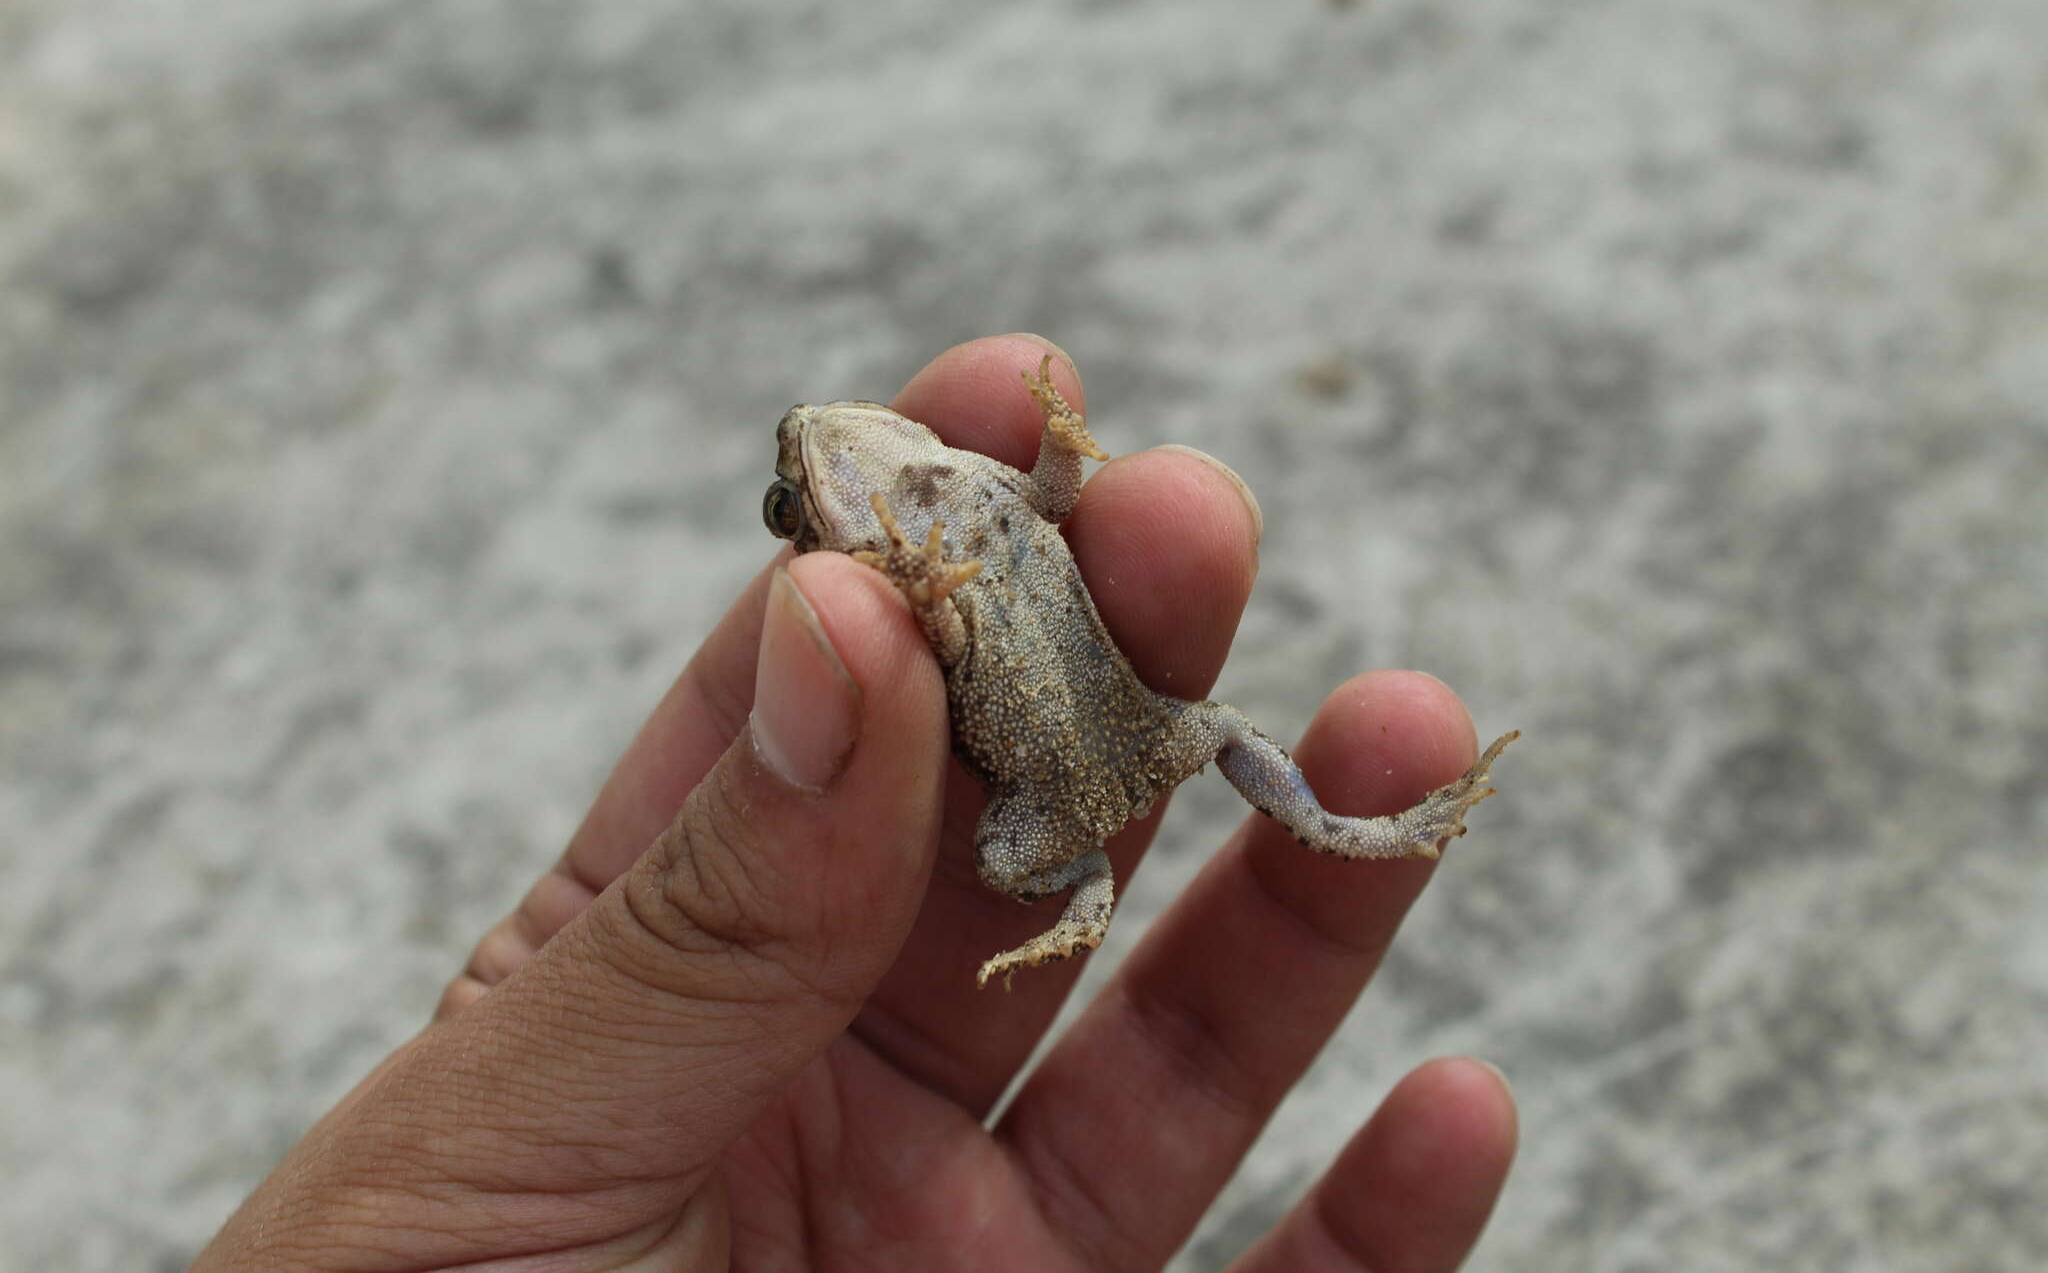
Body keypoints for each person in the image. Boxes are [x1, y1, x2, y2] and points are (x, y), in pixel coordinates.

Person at [195, 335, 1517, 1271]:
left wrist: (1062, 446)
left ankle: (1353, 827)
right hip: (1061, 775)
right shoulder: (893, 572)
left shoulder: (958, 496)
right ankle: (1104, 880)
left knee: (1219, 717)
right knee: (1044, 832)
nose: (812, 465)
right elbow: (979, 571)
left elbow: (1057, 499)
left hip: (1119, 715)